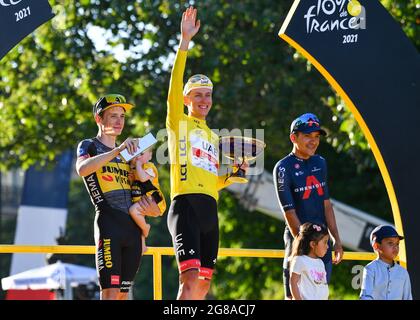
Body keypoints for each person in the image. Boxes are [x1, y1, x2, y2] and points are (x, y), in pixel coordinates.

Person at [166, 6, 249, 300]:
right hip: (185, 205)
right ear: (187, 99)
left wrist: (231, 175)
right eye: (198, 95)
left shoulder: (214, 135)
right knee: (188, 281)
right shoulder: (179, 122)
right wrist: (184, 43)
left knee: (203, 285)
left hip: (209, 208)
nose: (204, 100)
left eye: (208, 95)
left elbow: (211, 180)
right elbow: (174, 87)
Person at [76, 93, 161, 300]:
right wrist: (119, 150)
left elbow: (138, 192)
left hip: (132, 230)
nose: (119, 121)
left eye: (122, 117)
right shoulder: (89, 145)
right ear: (99, 119)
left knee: (123, 295)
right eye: (113, 116)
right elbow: (83, 169)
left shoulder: (129, 153)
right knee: (110, 294)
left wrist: (146, 224)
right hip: (109, 223)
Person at [273, 112, 343, 299]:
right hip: (299, 243)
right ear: (293, 137)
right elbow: (289, 211)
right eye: (307, 136)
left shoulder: (320, 162)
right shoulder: (283, 167)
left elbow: (326, 204)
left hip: (322, 243)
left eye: (316, 136)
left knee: (319, 294)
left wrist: (335, 239)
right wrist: (305, 248)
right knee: (293, 296)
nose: (313, 141)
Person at [360, 225, 412, 300]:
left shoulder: (403, 272)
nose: (395, 247)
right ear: (376, 246)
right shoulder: (371, 269)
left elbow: (408, 298)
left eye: (397, 243)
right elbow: (365, 296)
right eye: (390, 243)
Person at [129, 149, 166, 253]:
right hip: (140, 198)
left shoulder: (149, 167)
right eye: (135, 154)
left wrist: (138, 164)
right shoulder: (134, 168)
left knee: (133, 211)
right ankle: (143, 245)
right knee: (136, 221)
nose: (138, 156)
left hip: (153, 198)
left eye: (141, 154)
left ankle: (146, 228)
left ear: (149, 156)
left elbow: (143, 178)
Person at [289, 222, 330, 300]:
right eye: (325, 242)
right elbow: (293, 283)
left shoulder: (320, 262)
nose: (327, 246)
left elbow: (322, 286)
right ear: (313, 244)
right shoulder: (300, 260)